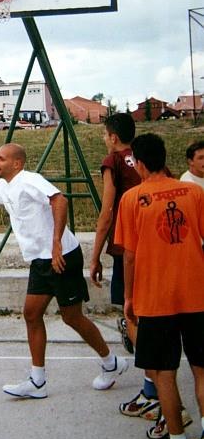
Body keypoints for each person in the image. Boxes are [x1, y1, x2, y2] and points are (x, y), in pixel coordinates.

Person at [0, 142, 128, 399]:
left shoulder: (30, 180)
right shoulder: (4, 187)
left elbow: (59, 200)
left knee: (71, 317)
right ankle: (37, 381)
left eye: (1, 159)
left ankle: (111, 363)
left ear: (17, 163)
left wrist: (57, 241)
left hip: (62, 257)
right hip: (40, 262)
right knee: (31, 314)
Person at [114, 133, 204, 439]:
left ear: (138, 163)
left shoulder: (132, 199)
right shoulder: (194, 192)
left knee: (164, 373)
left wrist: (128, 297)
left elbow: (130, 256)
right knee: (201, 369)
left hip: (155, 299)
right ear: (165, 158)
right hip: (198, 293)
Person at [90, 114, 162, 421]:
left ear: (113, 137)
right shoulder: (149, 158)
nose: (105, 139)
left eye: (106, 135)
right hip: (160, 247)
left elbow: (107, 212)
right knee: (153, 316)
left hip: (130, 247)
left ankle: (152, 390)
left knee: (133, 313)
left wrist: (95, 256)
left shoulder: (113, 161)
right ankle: (154, 384)